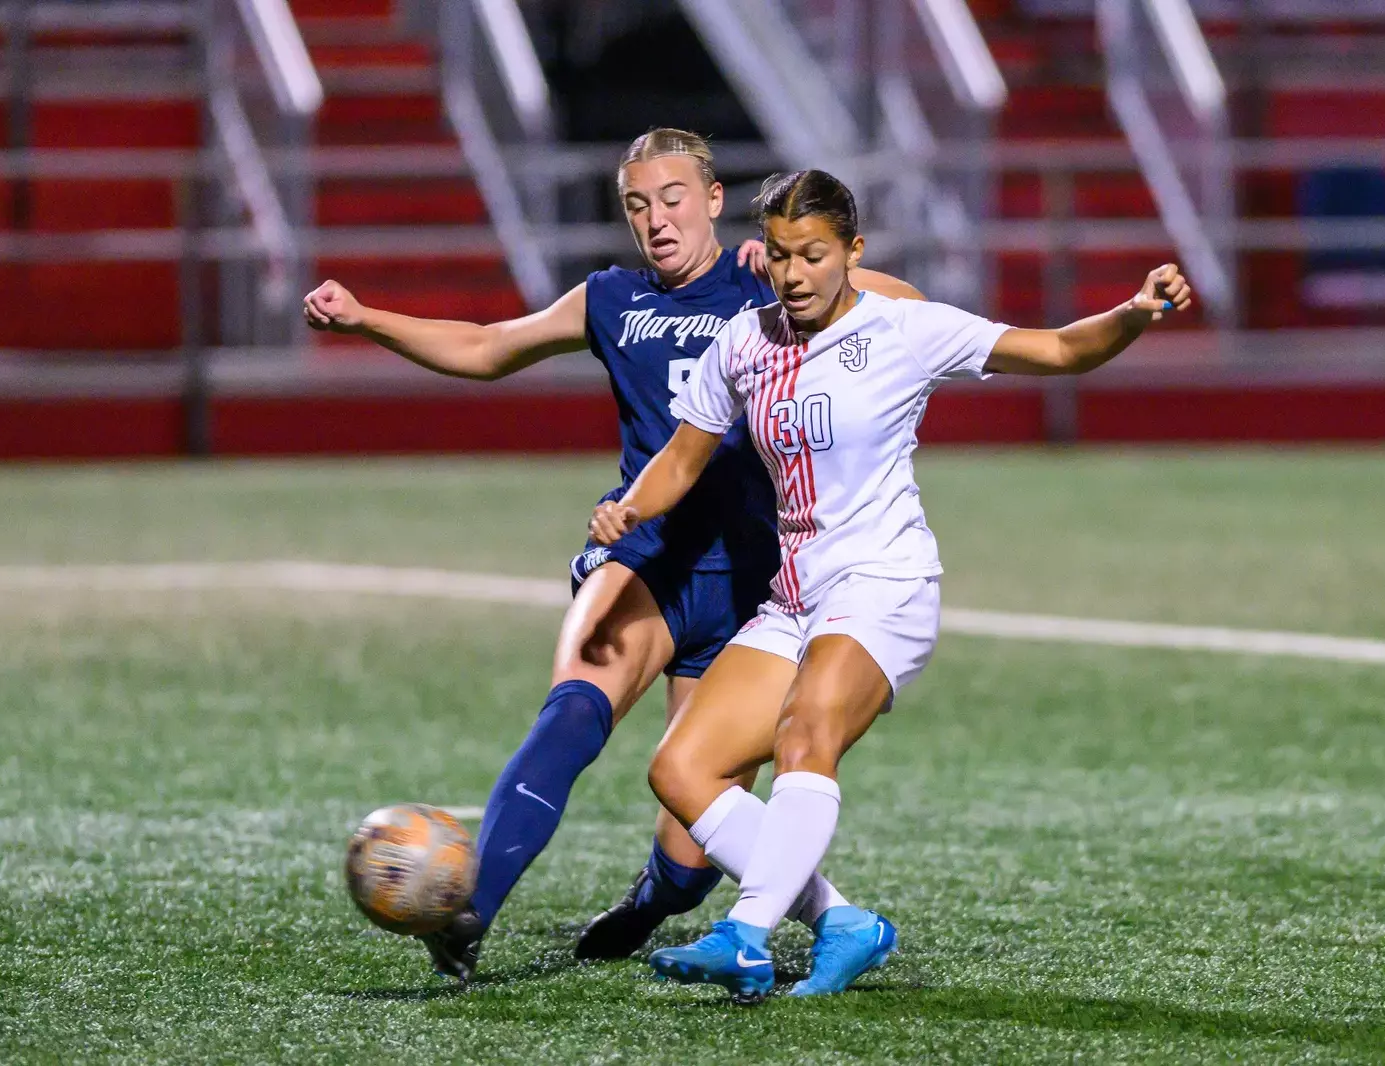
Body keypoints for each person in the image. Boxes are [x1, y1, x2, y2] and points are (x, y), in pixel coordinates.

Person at [302, 130, 926, 982]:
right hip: (649, 552)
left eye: (673, 198)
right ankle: (471, 911)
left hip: (754, 584)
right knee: (573, 709)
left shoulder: (769, 282)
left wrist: (803, 265)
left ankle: (656, 903)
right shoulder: (610, 299)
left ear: (712, 199)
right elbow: (489, 347)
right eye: (637, 204)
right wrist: (367, 318)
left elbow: (898, 305)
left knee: (689, 851)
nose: (656, 220)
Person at [588, 169, 1193, 1002]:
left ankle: (746, 934)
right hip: (793, 597)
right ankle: (845, 924)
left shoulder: (906, 330)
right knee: (681, 770)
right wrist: (626, 509)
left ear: (853, 253)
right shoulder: (744, 342)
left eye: (814, 255)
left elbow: (1056, 348)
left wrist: (1133, 311)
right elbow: (682, 459)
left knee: (807, 732)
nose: (795, 274)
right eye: (782, 256)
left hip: (883, 584)